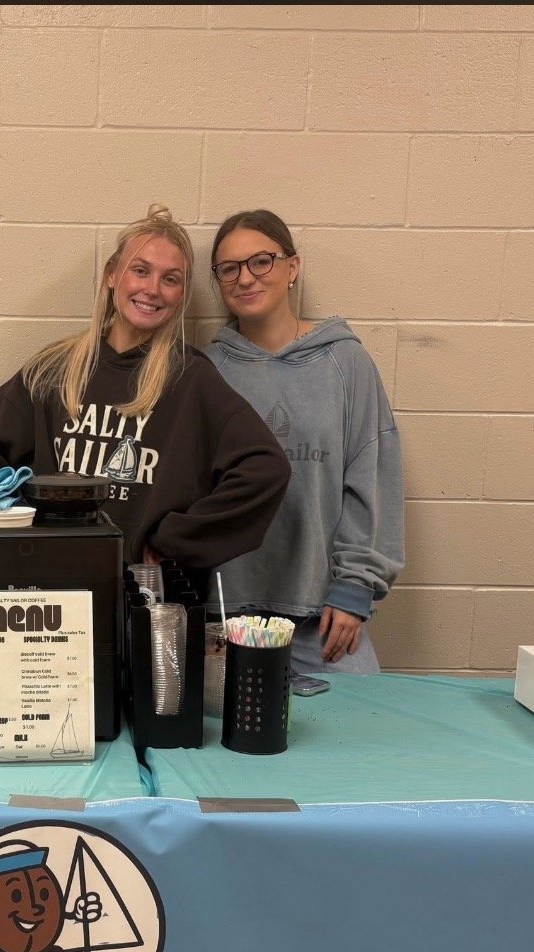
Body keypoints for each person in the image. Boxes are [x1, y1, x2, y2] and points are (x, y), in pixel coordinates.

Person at [0, 205, 290, 588]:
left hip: (146, 603)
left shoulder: (191, 379)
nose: (152, 289)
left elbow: (265, 470)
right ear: (113, 275)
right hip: (52, 595)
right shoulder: (54, 370)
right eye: (140, 270)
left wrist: (173, 540)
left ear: (181, 293)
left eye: (171, 278)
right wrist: (22, 537)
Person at [203, 209, 404, 675]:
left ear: (292, 268)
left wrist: (357, 589)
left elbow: (373, 479)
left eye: (261, 261)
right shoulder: (207, 371)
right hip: (227, 618)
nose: (245, 278)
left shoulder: (345, 362)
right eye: (228, 268)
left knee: (356, 736)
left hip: (324, 617)